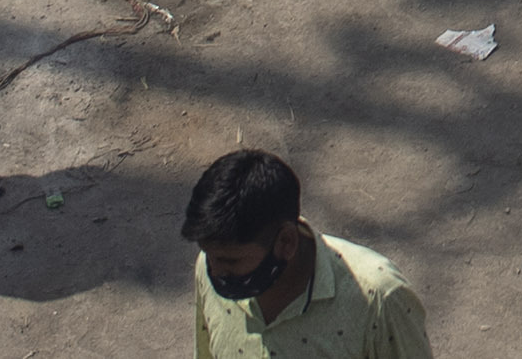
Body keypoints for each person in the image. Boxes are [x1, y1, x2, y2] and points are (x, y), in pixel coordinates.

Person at [183, 149, 426, 359]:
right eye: (208, 254)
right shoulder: (211, 266)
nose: (214, 270)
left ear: (286, 242)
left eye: (231, 261)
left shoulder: (379, 298)